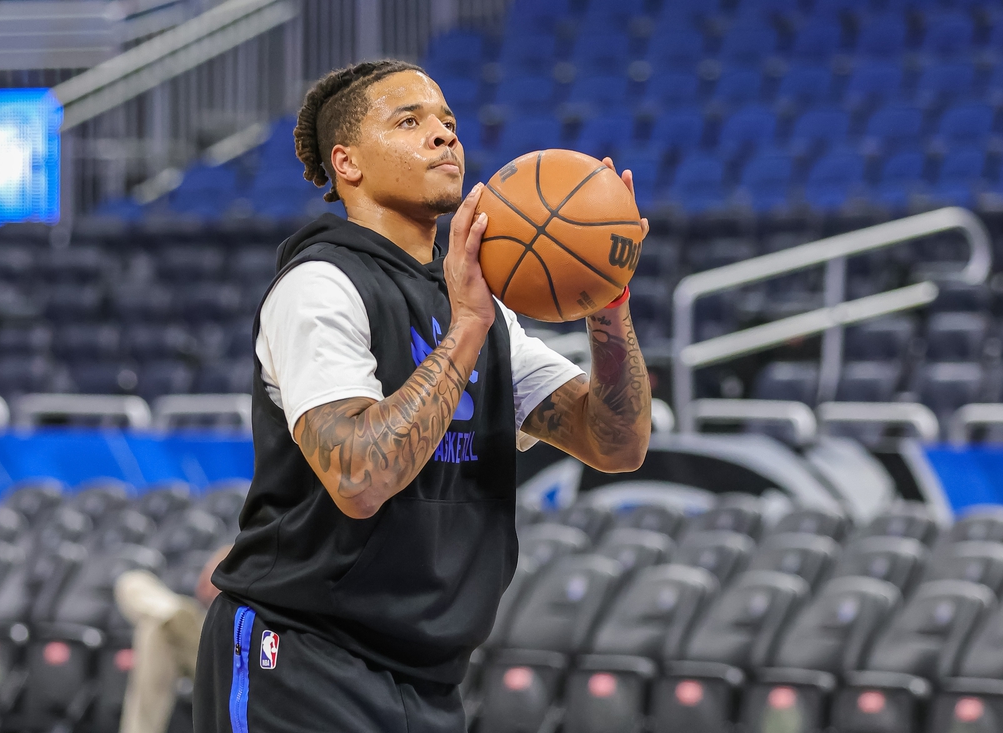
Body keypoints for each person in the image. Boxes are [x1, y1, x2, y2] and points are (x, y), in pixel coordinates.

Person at [194, 59, 652, 733]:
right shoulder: (320, 287)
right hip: (299, 658)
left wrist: (607, 306)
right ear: (346, 163)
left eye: (447, 122)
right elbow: (357, 475)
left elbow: (616, 442)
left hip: (427, 675)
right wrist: (467, 328)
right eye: (409, 122)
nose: (443, 136)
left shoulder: (481, 307)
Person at [114, 545, 230, 733]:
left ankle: (172, 613)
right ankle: (171, 613)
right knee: (134, 587)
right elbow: (206, 589)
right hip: (197, 631)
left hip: (228, 649)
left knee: (158, 624)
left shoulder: (253, 555)